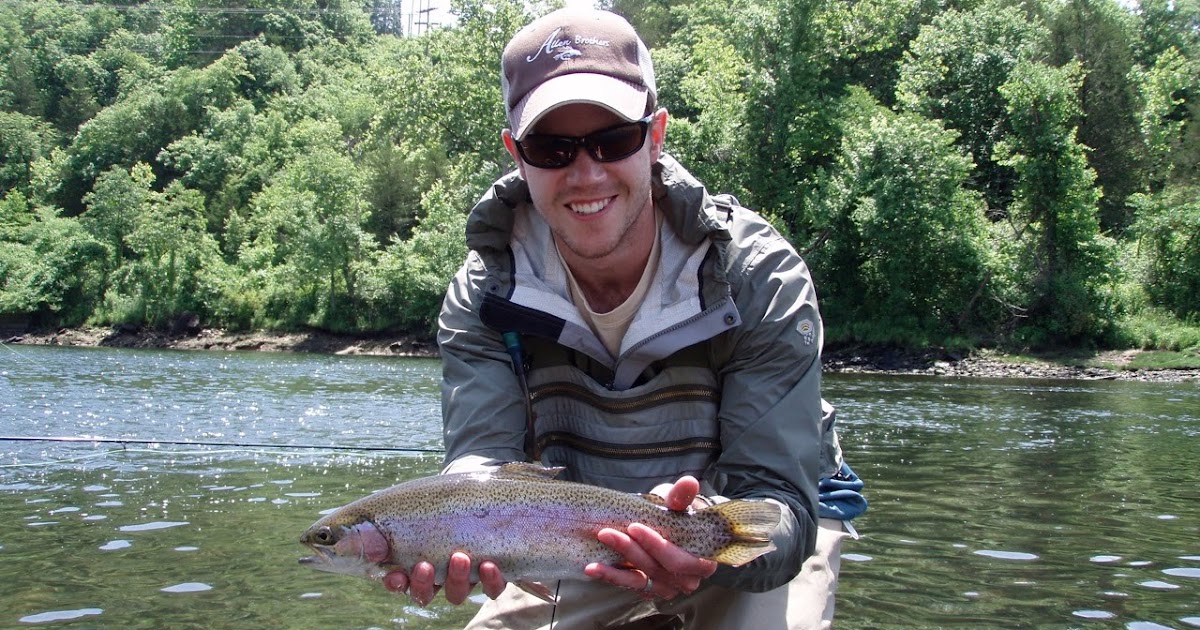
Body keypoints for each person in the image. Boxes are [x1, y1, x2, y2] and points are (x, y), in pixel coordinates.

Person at [383, 7, 865, 629]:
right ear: (517, 155)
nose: (586, 173)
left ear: (656, 135)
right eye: (552, 149)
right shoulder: (484, 294)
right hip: (581, 532)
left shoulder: (754, 275)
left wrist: (700, 534)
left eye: (614, 141)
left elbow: (777, 510)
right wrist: (456, 529)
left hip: (751, 527)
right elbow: (484, 465)